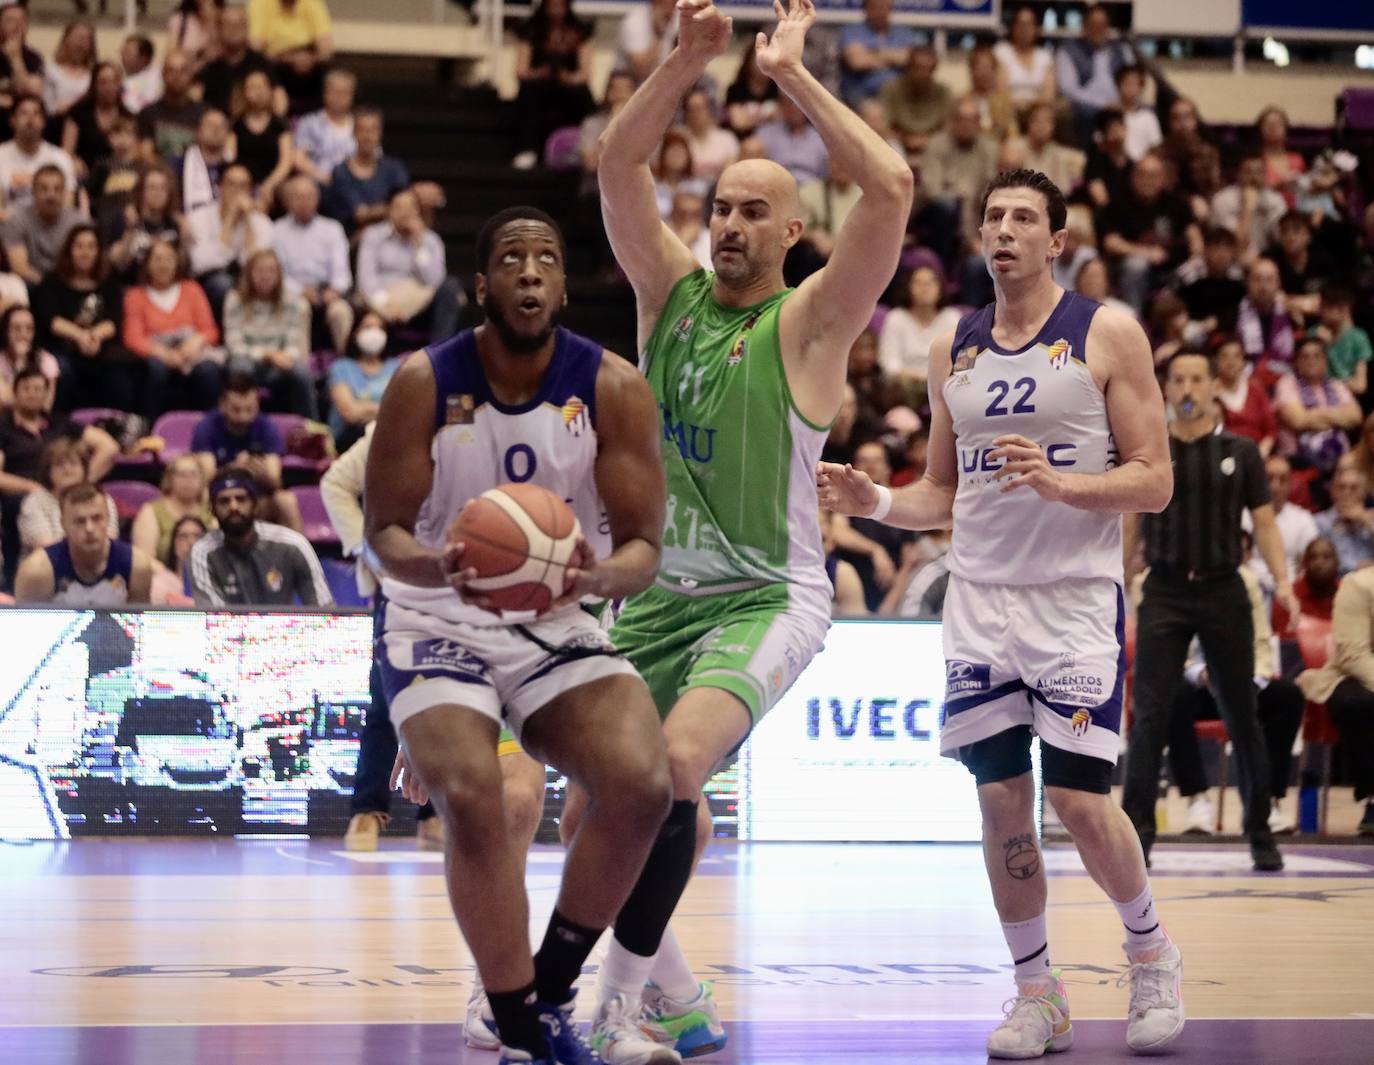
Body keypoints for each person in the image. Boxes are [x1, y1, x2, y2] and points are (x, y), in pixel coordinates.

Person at [596, 1, 911, 1059]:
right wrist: (686, 61)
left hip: (765, 598)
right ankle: (677, 996)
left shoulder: (813, 322)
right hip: (653, 598)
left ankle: (605, 1007)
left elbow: (893, 187)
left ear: (792, 233)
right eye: (719, 206)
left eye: (751, 211)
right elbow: (617, 167)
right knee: (596, 806)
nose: (728, 224)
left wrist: (789, 76)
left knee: (672, 771)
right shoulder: (667, 293)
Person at [819, 166, 1185, 1055]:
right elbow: (940, 493)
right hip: (980, 605)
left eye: (1026, 217)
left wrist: (1064, 483)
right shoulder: (958, 343)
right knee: (1000, 803)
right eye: (994, 217)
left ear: (1057, 240)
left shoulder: (1107, 332)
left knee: (1080, 798)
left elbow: (1157, 480)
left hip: (1071, 606)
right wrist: (875, 498)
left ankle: (1150, 953)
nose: (1006, 229)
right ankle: (1037, 992)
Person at [366, 204, 674, 1065]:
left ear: (565, 286)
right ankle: (517, 1023)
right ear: (481, 285)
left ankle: (551, 981)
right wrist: (440, 565)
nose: (529, 271)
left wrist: (596, 577)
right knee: (475, 796)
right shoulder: (423, 382)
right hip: (438, 610)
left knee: (644, 784)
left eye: (546, 257)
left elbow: (644, 547)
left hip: (554, 611)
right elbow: (383, 531)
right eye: (511, 258)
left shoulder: (610, 385)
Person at [1121, 350, 1295, 875]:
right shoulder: (1149, 453)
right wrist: (1118, 575)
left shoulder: (1241, 452)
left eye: (1198, 377)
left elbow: (1264, 524)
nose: (1189, 386)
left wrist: (1283, 580)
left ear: (1214, 387)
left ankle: (1261, 833)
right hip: (1166, 592)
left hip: (1224, 590)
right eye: (1179, 379)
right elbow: (1129, 521)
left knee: (1242, 713)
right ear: (1167, 390)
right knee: (1149, 714)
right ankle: (1137, 840)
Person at [1160, 562, 1304, 835]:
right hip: (1199, 685)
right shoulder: (1170, 577)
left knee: (1287, 696)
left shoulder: (1245, 581)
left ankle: (1267, 802)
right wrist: (1200, 672)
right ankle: (1197, 800)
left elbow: (1261, 640)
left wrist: (1251, 680)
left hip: (1242, 680)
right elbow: (1167, 648)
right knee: (1172, 695)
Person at [1296, 559, 1374, 836]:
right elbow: (1354, 655)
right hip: (1355, 675)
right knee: (1356, 704)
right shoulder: (1359, 584)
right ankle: (1372, 798)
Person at [189, 465, 328, 605]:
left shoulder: (293, 545)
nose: (233, 507)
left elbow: (325, 612)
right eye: (224, 501)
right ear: (212, 510)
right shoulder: (203, 552)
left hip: (282, 626)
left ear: (255, 505)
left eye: (241, 499)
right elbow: (212, 620)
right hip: (228, 627)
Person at [34, 223, 130, 412]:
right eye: (79, 246)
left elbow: (112, 322)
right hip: (62, 348)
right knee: (63, 369)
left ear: (98, 252)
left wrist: (94, 336)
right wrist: (81, 337)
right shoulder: (52, 281)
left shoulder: (109, 283)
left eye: (91, 247)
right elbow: (52, 320)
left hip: (99, 347)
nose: (85, 252)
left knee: (120, 374)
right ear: (69, 251)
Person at [122, 238, 222, 419]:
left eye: (169, 259)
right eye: (157, 259)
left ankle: (208, 428)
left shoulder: (192, 289)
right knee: (156, 370)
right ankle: (150, 428)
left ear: (177, 262)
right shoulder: (135, 295)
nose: (163, 265)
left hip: (190, 354)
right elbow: (133, 338)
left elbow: (210, 331)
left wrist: (195, 342)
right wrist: (165, 354)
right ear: (147, 264)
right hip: (156, 354)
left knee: (208, 371)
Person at [190, 372, 301, 530]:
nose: (243, 416)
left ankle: (296, 552)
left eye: (249, 409)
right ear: (222, 405)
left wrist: (262, 473)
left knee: (286, 500)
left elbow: (276, 482)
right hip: (223, 498)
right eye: (236, 409)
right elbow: (206, 479)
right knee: (206, 499)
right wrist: (235, 468)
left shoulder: (266, 427)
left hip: (257, 499)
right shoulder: (206, 427)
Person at [355, 187, 464, 345]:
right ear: (389, 210)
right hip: (381, 300)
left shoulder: (431, 240)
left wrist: (419, 244)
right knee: (362, 297)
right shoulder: (373, 236)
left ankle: (439, 352)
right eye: (399, 207)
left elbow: (435, 281)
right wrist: (385, 306)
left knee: (450, 288)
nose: (405, 213)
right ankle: (377, 319)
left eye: (410, 207)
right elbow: (366, 278)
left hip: (420, 304)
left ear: (418, 211)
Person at [14, 482, 152, 604]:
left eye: (97, 518)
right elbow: (25, 630)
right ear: (63, 524)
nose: (89, 529)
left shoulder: (137, 565)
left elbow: (140, 628)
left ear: (109, 518)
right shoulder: (37, 572)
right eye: (79, 521)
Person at [1099, 152, 1199, 314]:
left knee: (1197, 269)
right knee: (1135, 265)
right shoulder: (1118, 204)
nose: (1147, 181)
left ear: (1162, 179)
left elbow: (1194, 236)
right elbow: (1111, 243)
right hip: (1135, 269)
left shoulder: (1176, 203)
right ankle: (1134, 318)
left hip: (1173, 268)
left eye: (1153, 175)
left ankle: (1191, 319)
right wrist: (1146, 253)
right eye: (1142, 174)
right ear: (1132, 177)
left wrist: (1196, 257)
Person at [223, 248, 313, 418]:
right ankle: (236, 422)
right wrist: (268, 355)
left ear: (279, 275)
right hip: (249, 363)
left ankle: (311, 428)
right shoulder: (234, 300)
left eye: (271, 270)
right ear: (249, 273)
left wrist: (284, 357)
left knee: (301, 371)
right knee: (239, 366)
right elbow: (234, 346)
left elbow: (295, 344)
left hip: (278, 366)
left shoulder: (292, 302)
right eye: (260, 270)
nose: (266, 276)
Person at [510, 0, 595, 171]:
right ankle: (527, 149)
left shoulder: (580, 31)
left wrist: (569, 78)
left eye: (559, 6)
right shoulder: (531, 30)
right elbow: (521, 70)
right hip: (539, 86)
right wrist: (539, 73)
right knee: (529, 91)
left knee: (582, 95)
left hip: (568, 87)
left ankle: (586, 148)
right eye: (552, 6)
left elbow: (585, 74)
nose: (555, 11)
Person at [272, 172, 353, 352]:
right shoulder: (277, 231)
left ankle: (345, 364)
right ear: (287, 201)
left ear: (317, 199)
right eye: (298, 197)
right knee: (299, 309)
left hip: (328, 292)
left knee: (341, 312)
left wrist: (335, 290)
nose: (304, 202)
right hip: (294, 293)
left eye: (309, 196)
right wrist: (300, 291)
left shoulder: (332, 229)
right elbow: (278, 274)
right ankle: (302, 368)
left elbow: (342, 270)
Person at [186, 163, 271, 317]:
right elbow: (200, 264)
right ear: (220, 187)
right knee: (222, 284)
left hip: (249, 280)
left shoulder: (261, 222)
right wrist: (230, 220)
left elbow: (258, 264)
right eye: (231, 184)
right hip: (210, 281)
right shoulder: (198, 218)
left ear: (250, 191)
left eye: (243, 186)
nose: (237, 191)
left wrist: (247, 221)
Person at [1273, 335, 1360, 474]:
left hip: (1339, 460)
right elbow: (1298, 421)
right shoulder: (1287, 383)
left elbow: (1355, 416)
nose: (1311, 361)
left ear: (1325, 361)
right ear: (1296, 362)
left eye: (1317, 356)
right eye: (1305, 357)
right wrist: (1337, 418)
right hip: (1299, 460)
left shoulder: (1336, 385)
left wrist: (1314, 415)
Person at [18, 436, 117, 555]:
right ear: (48, 472)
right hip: (48, 568)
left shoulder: (100, 498)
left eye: (73, 463)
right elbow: (46, 550)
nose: (67, 469)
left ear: (84, 468)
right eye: (59, 464)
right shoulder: (34, 502)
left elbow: (110, 540)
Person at [878, 264, 960, 403]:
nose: (925, 288)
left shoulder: (951, 317)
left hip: (945, 384)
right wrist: (924, 379)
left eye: (930, 283)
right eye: (919, 283)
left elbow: (961, 359)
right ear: (908, 288)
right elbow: (890, 364)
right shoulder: (896, 318)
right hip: (906, 386)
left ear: (940, 288)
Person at [1056, 2, 1133, 143]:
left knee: (1147, 113)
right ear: (1084, 27)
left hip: (1120, 104)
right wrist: (1102, 104)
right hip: (1087, 108)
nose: (1099, 29)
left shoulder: (1122, 50)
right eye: (1093, 25)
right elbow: (1068, 89)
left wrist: (1125, 101)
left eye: (1103, 25)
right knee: (1084, 114)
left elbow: (1134, 80)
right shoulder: (1069, 51)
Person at [325, 107, 409, 235]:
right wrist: (392, 209)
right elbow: (361, 215)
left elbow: (405, 207)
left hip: (393, 238)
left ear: (380, 133)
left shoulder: (394, 168)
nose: (367, 136)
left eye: (373, 130)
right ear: (353, 133)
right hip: (353, 241)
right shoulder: (341, 172)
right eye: (362, 130)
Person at [0, 95, 78, 217]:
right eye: (23, 113)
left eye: (36, 114)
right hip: (9, 226)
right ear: (12, 120)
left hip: (51, 227)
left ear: (44, 122)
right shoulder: (1, 155)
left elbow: (67, 206)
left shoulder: (60, 158)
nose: (30, 119)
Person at [106, 163, 185, 283]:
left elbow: (180, 268)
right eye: (152, 187)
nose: (157, 193)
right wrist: (130, 230)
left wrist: (185, 235)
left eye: (163, 188)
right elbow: (118, 264)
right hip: (132, 288)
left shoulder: (173, 224)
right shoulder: (124, 219)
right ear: (141, 191)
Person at [130, 452, 213, 564]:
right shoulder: (151, 511)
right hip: (161, 576)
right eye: (182, 474)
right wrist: (170, 579)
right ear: (170, 478)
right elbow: (145, 560)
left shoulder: (210, 511)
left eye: (193, 474)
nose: (188, 479)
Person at [198, 4, 275, 115]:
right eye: (228, 25)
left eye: (238, 24)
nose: (233, 30)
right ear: (219, 29)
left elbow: (278, 97)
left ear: (247, 28)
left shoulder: (262, 64)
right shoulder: (210, 68)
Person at [232, 69, 291, 211]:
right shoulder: (236, 125)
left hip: (274, 185)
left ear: (270, 91)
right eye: (252, 87)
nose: (257, 92)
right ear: (244, 92)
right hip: (243, 185)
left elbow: (286, 162)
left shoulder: (280, 125)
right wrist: (245, 187)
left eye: (261, 87)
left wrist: (269, 185)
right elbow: (231, 159)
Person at [838, 0, 916, 107]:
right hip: (862, 93)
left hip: (898, 94)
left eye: (885, 7)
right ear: (866, 9)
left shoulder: (903, 33)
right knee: (874, 114)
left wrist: (873, 53)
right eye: (876, 7)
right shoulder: (852, 31)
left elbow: (909, 60)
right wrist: (893, 58)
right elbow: (858, 62)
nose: (881, 11)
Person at [879, 44, 951, 160]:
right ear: (909, 68)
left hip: (933, 143)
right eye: (918, 68)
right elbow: (884, 125)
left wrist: (929, 140)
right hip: (899, 144)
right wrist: (905, 139)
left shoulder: (943, 93)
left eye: (928, 69)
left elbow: (949, 127)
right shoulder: (891, 90)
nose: (923, 74)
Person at [61, 61, 131, 179]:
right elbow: (66, 152)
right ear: (94, 85)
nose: (108, 87)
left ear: (120, 85)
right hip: (83, 176)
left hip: (118, 177)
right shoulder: (78, 114)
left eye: (113, 81)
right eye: (103, 82)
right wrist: (73, 160)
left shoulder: (128, 116)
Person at [137, 49, 206, 165]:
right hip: (159, 176)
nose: (177, 76)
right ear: (163, 75)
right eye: (171, 71)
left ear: (191, 75)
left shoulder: (204, 114)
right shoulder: (148, 113)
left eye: (183, 71)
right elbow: (145, 154)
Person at [1211, 155, 1287, 260]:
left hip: (1267, 257)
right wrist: (1248, 208)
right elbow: (1235, 244)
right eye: (1248, 172)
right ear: (1238, 174)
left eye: (1259, 172)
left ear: (1265, 175)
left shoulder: (1276, 200)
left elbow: (1280, 239)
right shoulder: (1222, 200)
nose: (1254, 177)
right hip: (1232, 258)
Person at [1214, 335, 1276, 457]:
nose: (1230, 362)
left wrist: (1260, 455)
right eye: (1224, 356)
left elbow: (1271, 431)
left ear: (1243, 360)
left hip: (1258, 455)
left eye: (1236, 356)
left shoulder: (1256, 390)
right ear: (1216, 360)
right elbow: (1187, 408)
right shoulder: (1209, 392)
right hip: (1223, 456)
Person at [1177, 226, 1245, 336]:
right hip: (1195, 328)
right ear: (1206, 250)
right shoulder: (1190, 276)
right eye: (1217, 248)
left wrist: (1218, 321)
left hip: (1227, 332)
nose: (1222, 255)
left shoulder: (1239, 282)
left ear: (1234, 253)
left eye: (1227, 248)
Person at [291, 67, 354, 186]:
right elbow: (298, 159)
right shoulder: (309, 123)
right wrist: (324, 177)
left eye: (344, 92)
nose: (339, 97)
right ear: (325, 93)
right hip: (319, 183)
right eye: (334, 91)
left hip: (355, 185)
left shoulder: (361, 125)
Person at [753, 92, 827, 186]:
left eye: (799, 104)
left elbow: (826, 175)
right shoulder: (766, 133)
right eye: (789, 103)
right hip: (776, 186)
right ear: (781, 105)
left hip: (811, 189)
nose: (794, 108)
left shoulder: (820, 138)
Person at [994, 6, 1054, 119]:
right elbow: (1001, 91)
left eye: (1029, 25)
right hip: (1009, 110)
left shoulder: (1044, 56)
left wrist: (1030, 106)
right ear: (1013, 27)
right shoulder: (1001, 52)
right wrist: (1021, 105)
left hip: (1038, 113)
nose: (1024, 29)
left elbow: (1048, 94)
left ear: (1036, 28)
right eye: (1020, 24)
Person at [1313, 283, 1371, 398]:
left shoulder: (1358, 338)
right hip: (1316, 395)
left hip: (1346, 399)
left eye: (1325, 306)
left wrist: (1329, 349)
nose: (1320, 311)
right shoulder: (1314, 333)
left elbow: (1360, 386)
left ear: (1343, 309)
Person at [1315, 465, 1374, 575]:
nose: (1347, 492)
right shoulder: (1320, 522)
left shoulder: (1371, 518)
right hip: (1338, 585)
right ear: (1332, 492)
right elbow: (1323, 563)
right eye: (1341, 487)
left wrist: (1367, 522)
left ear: (1363, 493)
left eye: (1354, 488)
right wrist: (1359, 567)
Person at [0, 303, 60, 406]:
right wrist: (19, 363)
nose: (23, 334)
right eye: (16, 328)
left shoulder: (47, 361)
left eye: (29, 329)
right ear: (6, 332)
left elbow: (45, 406)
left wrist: (22, 361)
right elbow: (5, 401)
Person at [1020, 102, 1084, 198]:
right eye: (1037, 120)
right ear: (1028, 123)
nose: (1041, 126)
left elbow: (1063, 192)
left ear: (1054, 127)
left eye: (1047, 121)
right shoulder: (1015, 148)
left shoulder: (1058, 154)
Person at [42, 18, 96, 123]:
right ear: (65, 40)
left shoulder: (94, 73)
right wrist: (80, 101)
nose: (81, 43)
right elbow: (48, 109)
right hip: (57, 124)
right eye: (77, 37)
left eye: (86, 39)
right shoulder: (50, 70)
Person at [681, 87, 737, 182]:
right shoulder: (677, 137)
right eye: (690, 109)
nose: (695, 114)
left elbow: (731, 174)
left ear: (709, 110)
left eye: (699, 109)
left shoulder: (727, 139)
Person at [614, 0, 677, 84]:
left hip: (668, 85)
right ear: (654, 3)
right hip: (634, 87)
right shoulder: (634, 22)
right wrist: (659, 34)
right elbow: (641, 71)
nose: (670, 8)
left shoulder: (682, 18)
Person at [1114, 64, 1160, 162]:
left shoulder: (1148, 117)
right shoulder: (1110, 115)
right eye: (1126, 83)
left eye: (1134, 84)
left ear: (1141, 88)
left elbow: (1156, 146)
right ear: (1118, 86)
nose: (1130, 88)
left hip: (1142, 167)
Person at [119, 34, 161, 116]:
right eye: (122, 51)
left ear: (144, 58)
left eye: (127, 52)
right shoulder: (123, 78)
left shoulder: (158, 77)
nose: (122, 55)